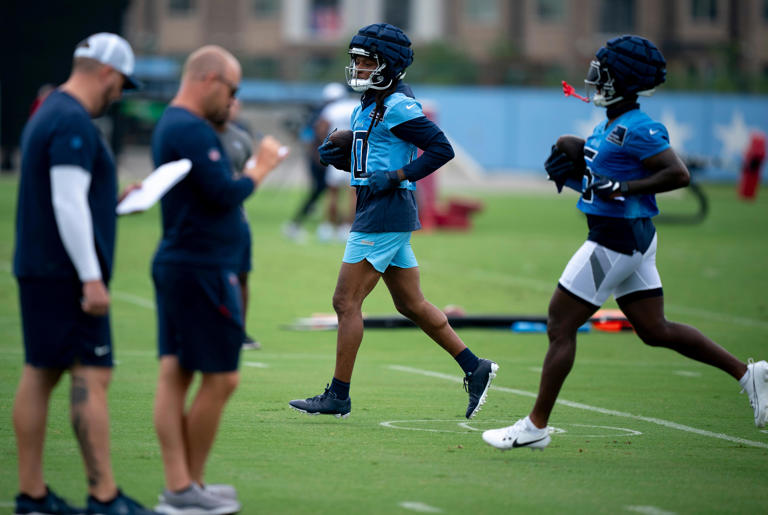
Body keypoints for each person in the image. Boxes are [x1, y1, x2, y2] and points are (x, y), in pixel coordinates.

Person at [481, 35, 768, 451]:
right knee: (654, 329)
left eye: (603, 73)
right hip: (629, 238)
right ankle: (748, 375)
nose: (594, 81)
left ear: (623, 80)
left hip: (614, 241)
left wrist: (627, 185)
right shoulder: (609, 125)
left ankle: (535, 426)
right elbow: (604, 184)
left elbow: (677, 174)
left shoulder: (638, 126)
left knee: (561, 323)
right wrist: (572, 172)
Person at [289, 23, 498, 420]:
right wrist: (345, 153)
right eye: (356, 61)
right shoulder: (369, 103)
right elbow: (377, 149)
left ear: (389, 64)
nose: (359, 68)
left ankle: (338, 396)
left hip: (385, 209)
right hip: (380, 207)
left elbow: (441, 148)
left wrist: (401, 176)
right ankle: (475, 366)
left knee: (345, 301)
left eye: (366, 62)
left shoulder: (399, 105)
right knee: (411, 304)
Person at [12, 33, 157, 515]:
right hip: (66, 275)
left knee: (40, 372)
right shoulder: (73, 120)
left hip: (40, 266)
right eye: (122, 85)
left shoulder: (49, 111)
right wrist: (92, 278)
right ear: (107, 73)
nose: (120, 95)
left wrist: (110, 207)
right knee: (91, 376)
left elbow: (69, 196)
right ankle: (104, 496)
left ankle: (31, 494)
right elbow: (66, 200)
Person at [150, 45, 287, 514]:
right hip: (200, 266)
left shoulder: (179, 124)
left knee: (178, 372)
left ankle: (186, 484)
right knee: (222, 378)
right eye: (232, 88)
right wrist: (263, 166)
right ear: (209, 79)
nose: (234, 99)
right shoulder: (188, 127)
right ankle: (185, 486)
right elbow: (223, 193)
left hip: (189, 262)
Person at [212, 97, 262, 350]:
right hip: (207, 221)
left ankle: (238, 332)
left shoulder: (240, 138)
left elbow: (246, 176)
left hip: (238, 218)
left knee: (241, 275)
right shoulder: (198, 134)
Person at [283, 82, 346, 242]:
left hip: (320, 157)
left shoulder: (323, 113)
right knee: (322, 190)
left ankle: (333, 225)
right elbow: (313, 138)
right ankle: (297, 224)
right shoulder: (323, 115)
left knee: (325, 191)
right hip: (319, 158)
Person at [313, 84, 358, 242]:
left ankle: (329, 226)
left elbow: (321, 128)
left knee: (333, 193)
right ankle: (347, 228)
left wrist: (325, 147)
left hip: (336, 155)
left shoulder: (331, 109)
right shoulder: (356, 106)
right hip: (354, 155)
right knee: (353, 194)